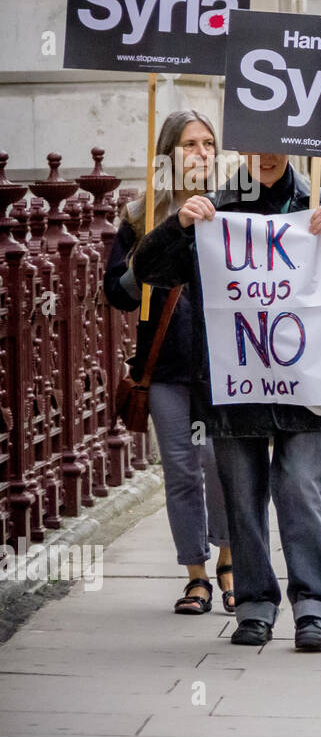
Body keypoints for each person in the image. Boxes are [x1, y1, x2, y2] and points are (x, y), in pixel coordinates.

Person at [133, 151, 321, 652]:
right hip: (233, 384)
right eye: (257, 142)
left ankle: (314, 608)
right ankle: (255, 606)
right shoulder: (213, 207)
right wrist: (178, 224)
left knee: (302, 489)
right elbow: (148, 271)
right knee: (242, 497)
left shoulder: (320, 200)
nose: (268, 153)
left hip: (305, 385)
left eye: (278, 141)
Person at [104, 110, 232, 616]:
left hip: (223, 366)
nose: (201, 152)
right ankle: (195, 574)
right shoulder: (140, 216)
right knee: (181, 470)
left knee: (222, 468)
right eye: (189, 144)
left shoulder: (234, 207)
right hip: (165, 366)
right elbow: (118, 293)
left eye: (208, 143)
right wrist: (159, 239)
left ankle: (229, 562)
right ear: (168, 155)